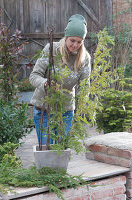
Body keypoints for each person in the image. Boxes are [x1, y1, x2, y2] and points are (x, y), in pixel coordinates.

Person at [29, 14, 91, 145]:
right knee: (48, 149)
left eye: (79, 42)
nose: (75, 45)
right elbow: (33, 77)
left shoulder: (85, 58)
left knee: (61, 149)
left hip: (66, 111)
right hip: (44, 109)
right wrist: (45, 83)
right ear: (66, 37)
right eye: (72, 40)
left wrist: (82, 108)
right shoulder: (52, 49)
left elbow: (84, 87)